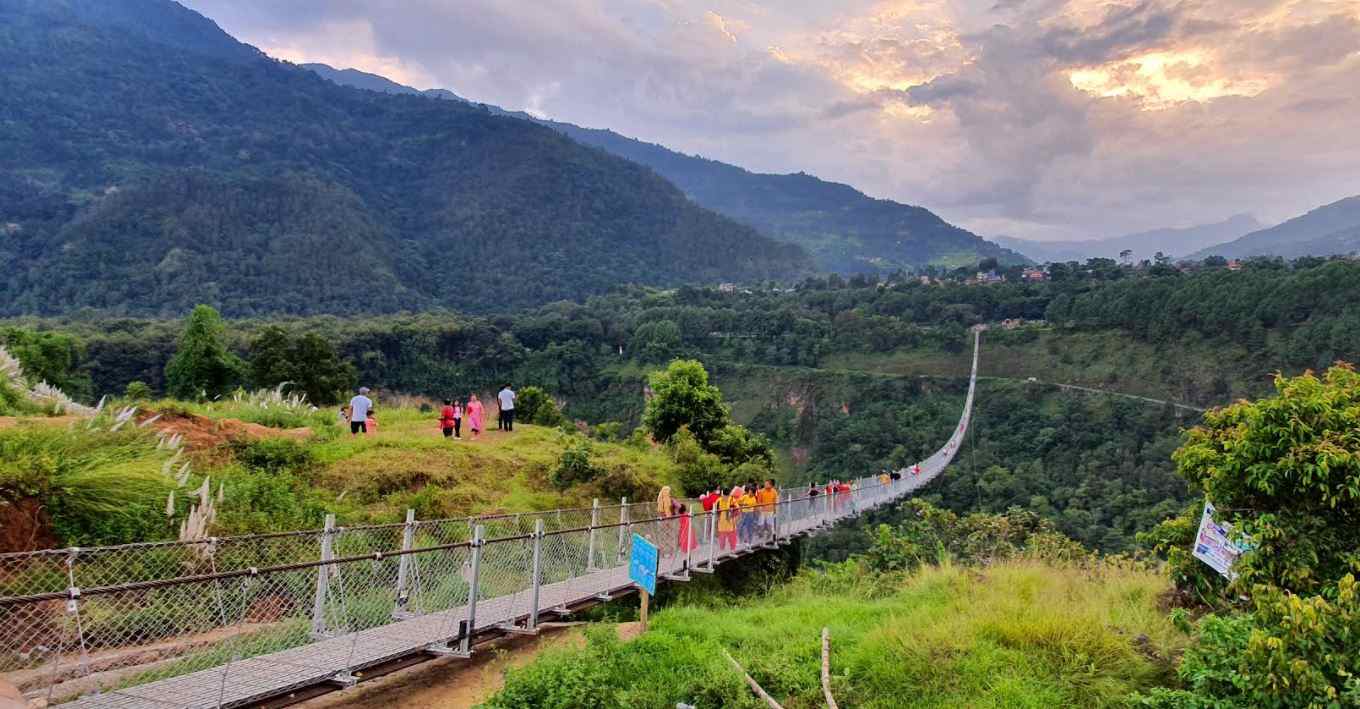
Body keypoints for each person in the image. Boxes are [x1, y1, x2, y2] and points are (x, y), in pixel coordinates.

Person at [716, 486, 738, 552]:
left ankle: (722, 549)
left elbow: (716, 510)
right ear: (729, 493)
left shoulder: (719, 500)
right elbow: (737, 509)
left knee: (722, 536)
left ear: (723, 493)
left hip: (721, 521)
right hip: (730, 521)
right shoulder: (732, 500)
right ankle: (732, 549)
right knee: (732, 536)